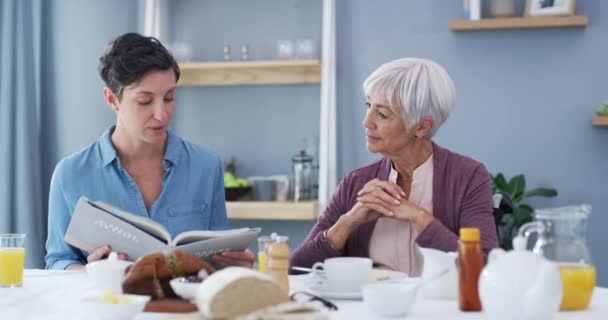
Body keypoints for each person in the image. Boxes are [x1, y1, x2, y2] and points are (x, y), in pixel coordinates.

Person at [45, 33, 254, 270]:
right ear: (112, 100)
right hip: (111, 304)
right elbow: (58, 260)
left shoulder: (206, 166)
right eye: (145, 101)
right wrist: (91, 273)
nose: (162, 114)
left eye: (169, 97)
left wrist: (236, 263)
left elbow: (218, 257)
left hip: (184, 304)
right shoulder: (71, 174)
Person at [290, 58, 498, 276]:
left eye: (382, 114)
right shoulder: (356, 183)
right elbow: (296, 269)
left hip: (441, 308)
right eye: (368, 106)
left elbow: (484, 268)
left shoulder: (468, 176)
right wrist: (348, 222)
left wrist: (420, 218)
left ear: (421, 126)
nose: (366, 122)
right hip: (369, 309)